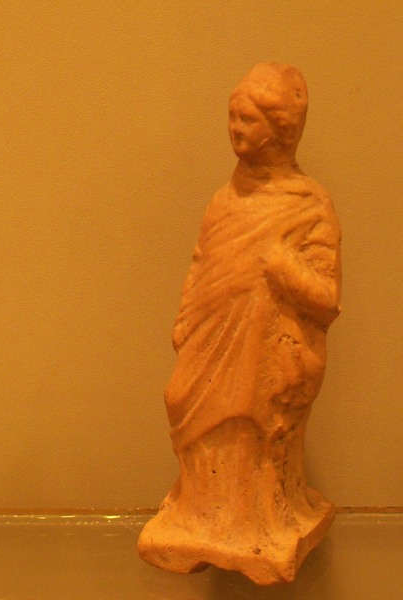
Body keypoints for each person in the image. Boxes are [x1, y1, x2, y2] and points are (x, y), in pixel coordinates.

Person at [137, 64, 341, 585]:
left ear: (280, 129)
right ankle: (198, 514)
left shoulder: (308, 205)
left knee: (255, 424)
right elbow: (201, 262)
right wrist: (184, 317)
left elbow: (327, 298)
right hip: (210, 339)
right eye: (232, 117)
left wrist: (284, 267)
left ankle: (258, 524)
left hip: (266, 351)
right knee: (180, 398)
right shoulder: (223, 200)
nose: (234, 128)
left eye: (247, 120)